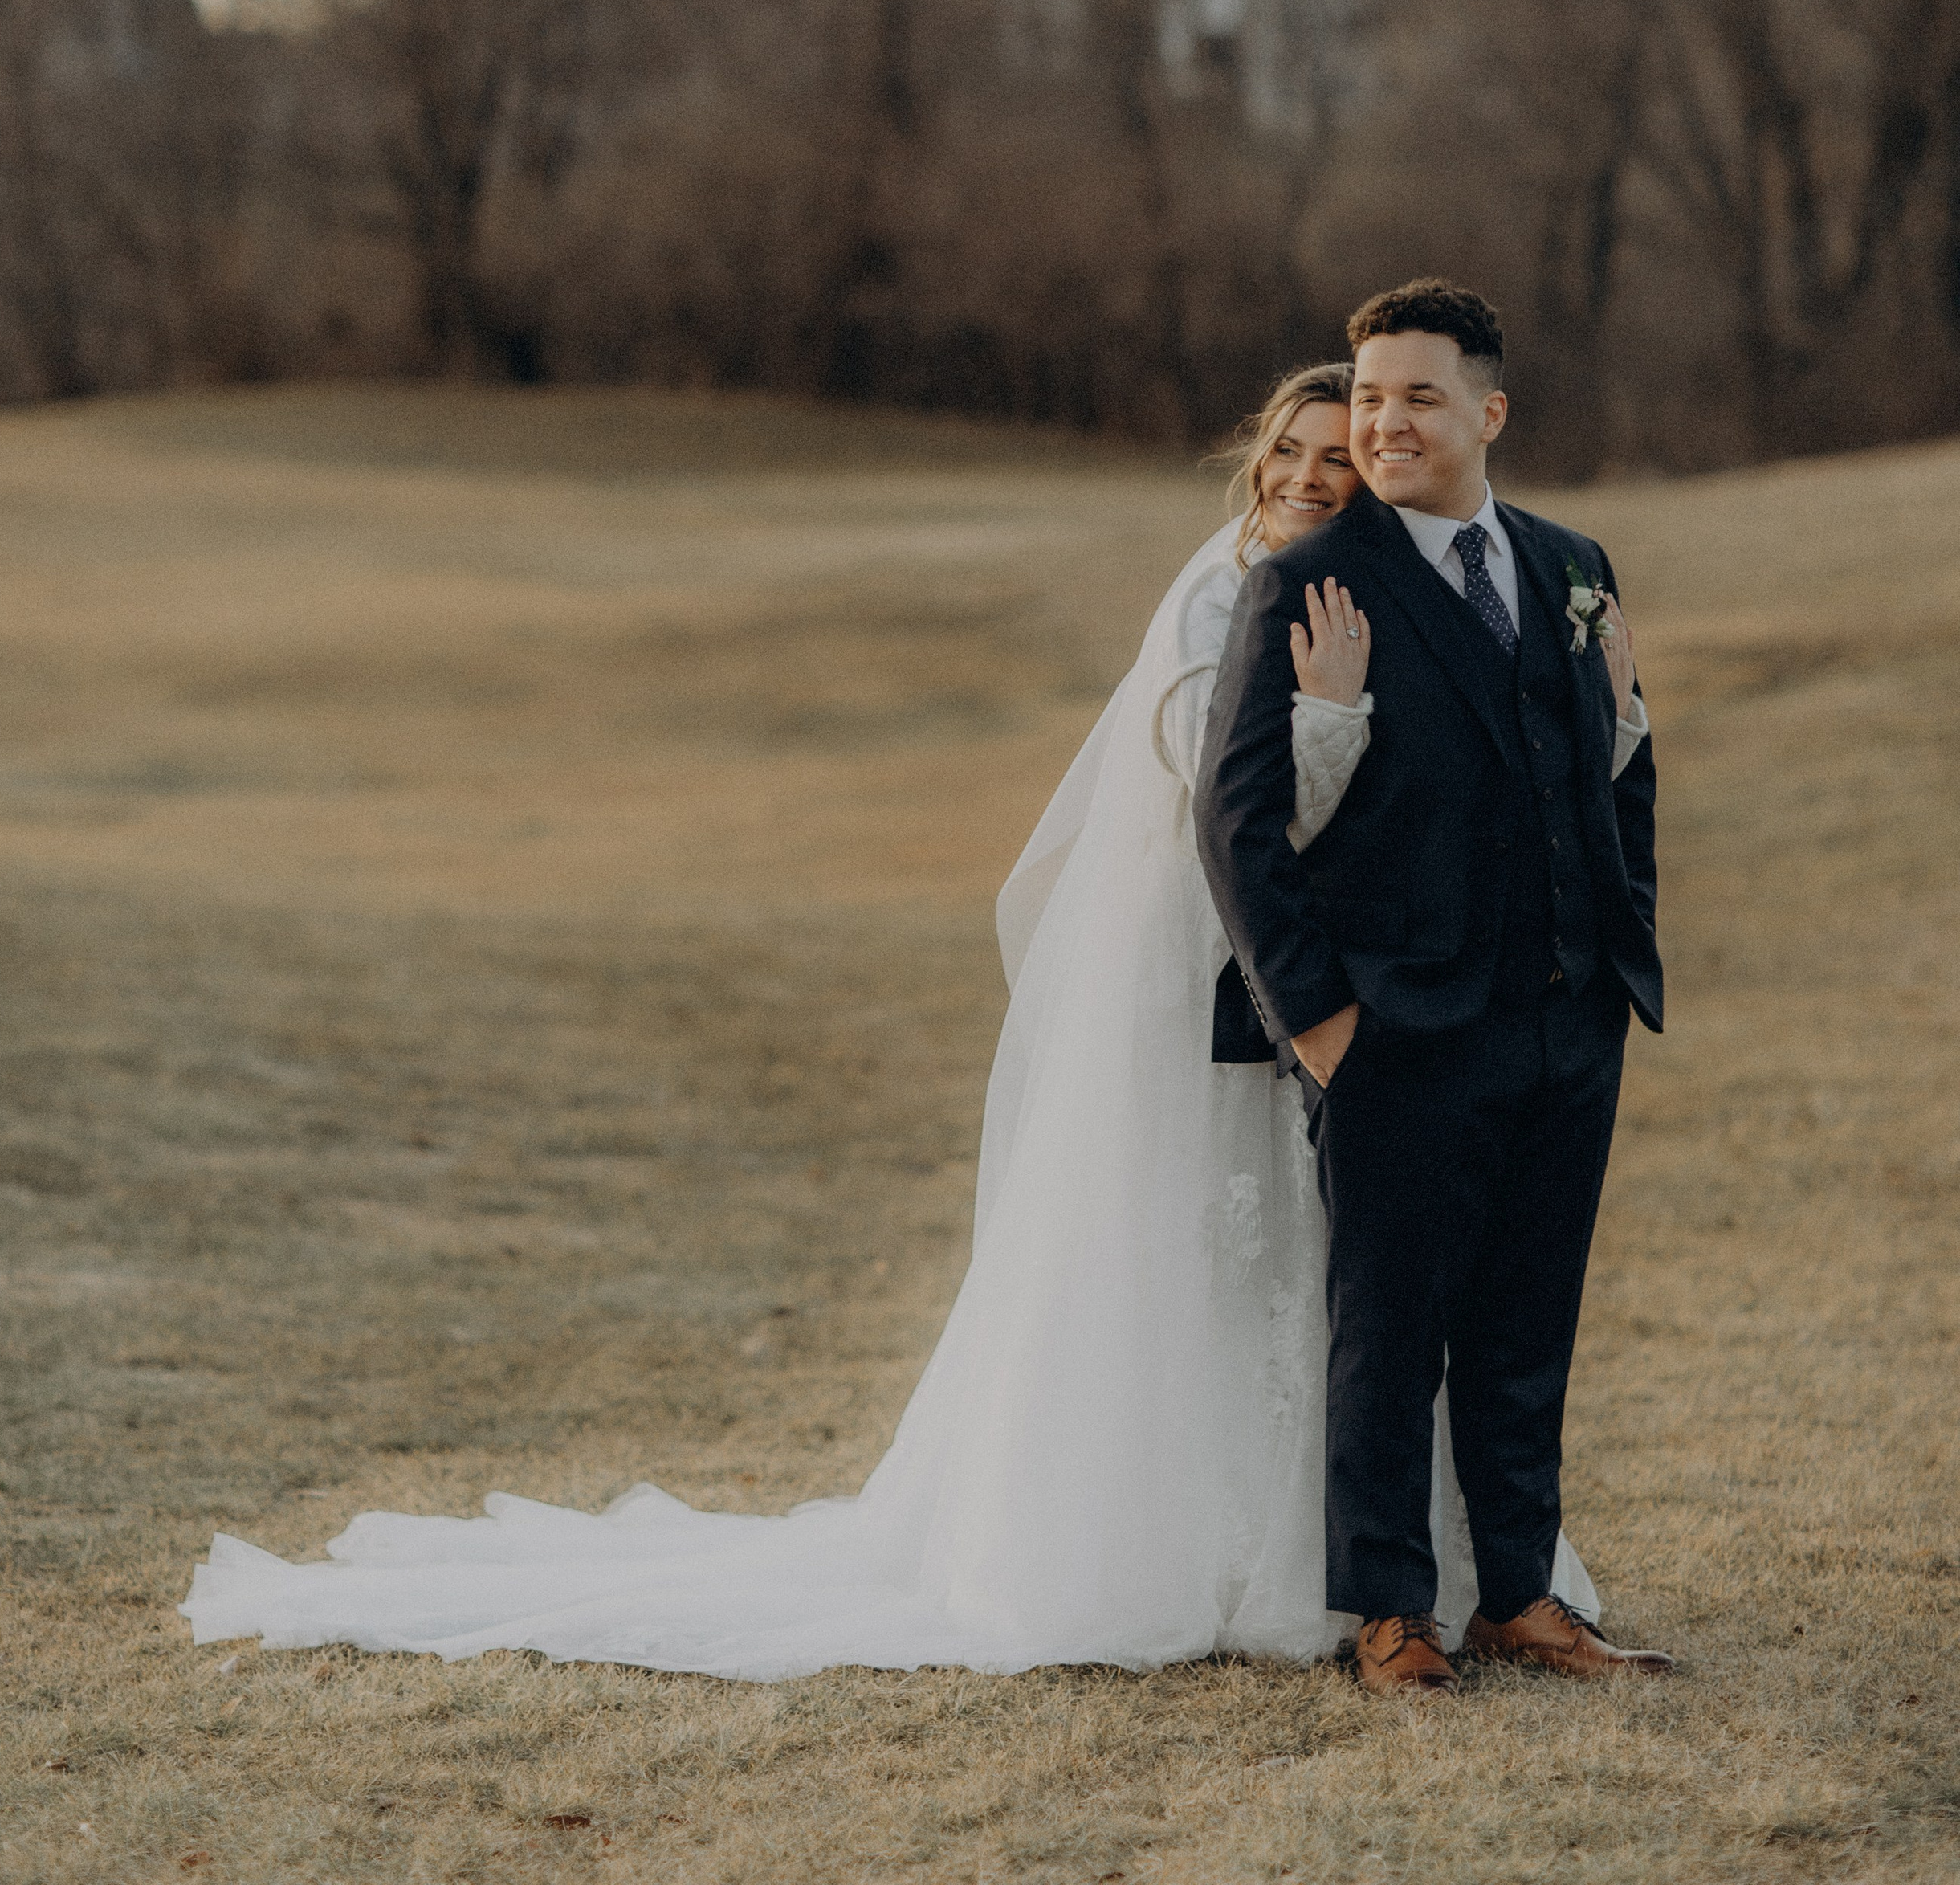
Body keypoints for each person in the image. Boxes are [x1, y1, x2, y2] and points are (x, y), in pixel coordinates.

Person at [182, 363, 1606, 1674]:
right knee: (1219, 1246)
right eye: (1289, 453)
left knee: (1349, 1273)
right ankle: (1227, 1558)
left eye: (1335, 461)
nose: (1310, 477)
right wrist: (1329, 718)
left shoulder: (1376, 588)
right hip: (1228, 985)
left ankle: (1391, 1561)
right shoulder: (1220, 599)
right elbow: (1221, 823)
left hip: (1355, 993)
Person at [1196, 280, 1672, 1695]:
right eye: (1367, 394)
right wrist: (1320, 1021)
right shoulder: (1306, 578)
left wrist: (1617, 959)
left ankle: (1521, 1595)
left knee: (1530, 1323)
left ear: (1488, 411)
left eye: (1415, 395)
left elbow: (1620, 768)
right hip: (1393, 1033)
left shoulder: (1573, 563)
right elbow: (1235, 823)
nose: (1382, 422)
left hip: (1565, 1023)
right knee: (1388, 1334)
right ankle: (1390, 1611)